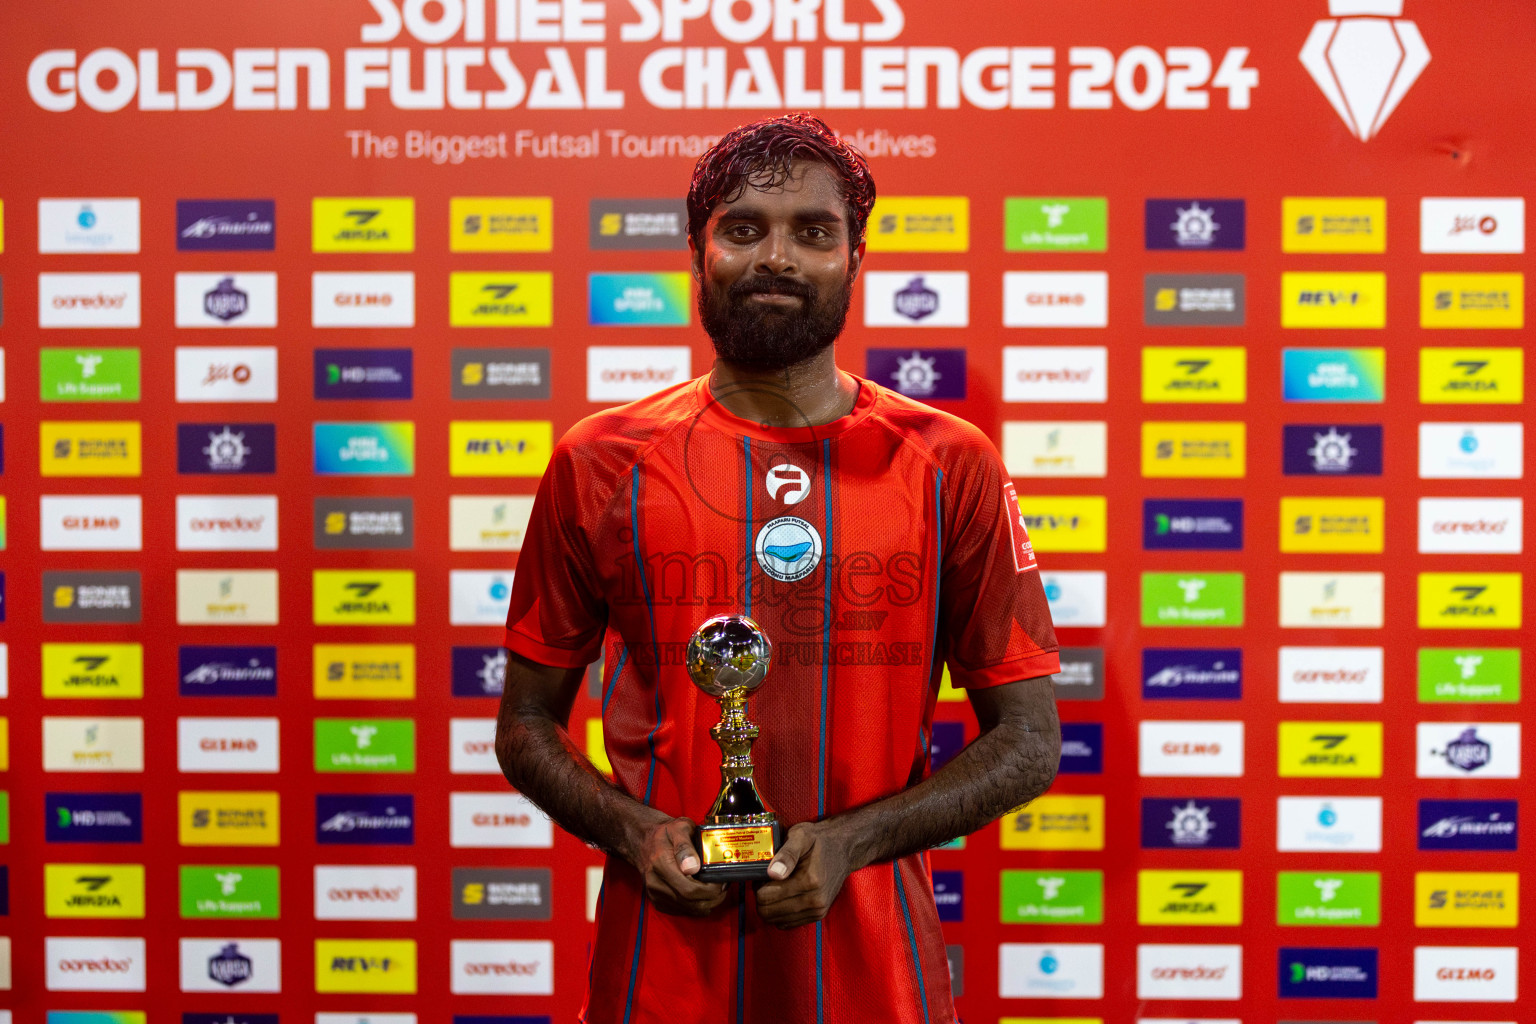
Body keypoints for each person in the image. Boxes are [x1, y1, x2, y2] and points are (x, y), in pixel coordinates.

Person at [496, 112, 1061, 1024]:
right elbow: (525, 725)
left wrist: (852, 842)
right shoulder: (600, 461)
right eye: (744, 228)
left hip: (876, 973)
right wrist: (637, 833)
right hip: (661, 970)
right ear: (697, 250)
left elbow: (1030, 741)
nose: (778, 257)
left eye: (814, 231)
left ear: (857, 257)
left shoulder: (949, 460)